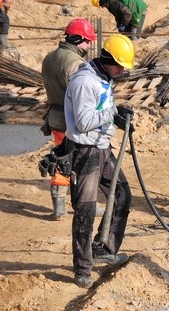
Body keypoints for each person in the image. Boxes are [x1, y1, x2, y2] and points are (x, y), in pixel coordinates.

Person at [64, 33, 135, 288]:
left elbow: (100, 111)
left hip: (103, 147)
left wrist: (116, 117)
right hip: (86, 152)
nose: (123, 72)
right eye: (121, 67)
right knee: (86, 210)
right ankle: (82, 268)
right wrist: (112, 112)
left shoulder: (104, 77)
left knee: (123, 196)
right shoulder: (85, 82)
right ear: (109, 60)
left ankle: (104, 247)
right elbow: (83, 123)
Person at [40, 18, 97, 220]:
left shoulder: (49, 58)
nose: (89, 46)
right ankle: (82, 205)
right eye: (88, 41)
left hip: (55, 118)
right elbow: (82, 95)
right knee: (80, 164)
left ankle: (59, 206)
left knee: (61, 160)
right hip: (72, 121)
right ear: (79, 39)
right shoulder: (75, 63)